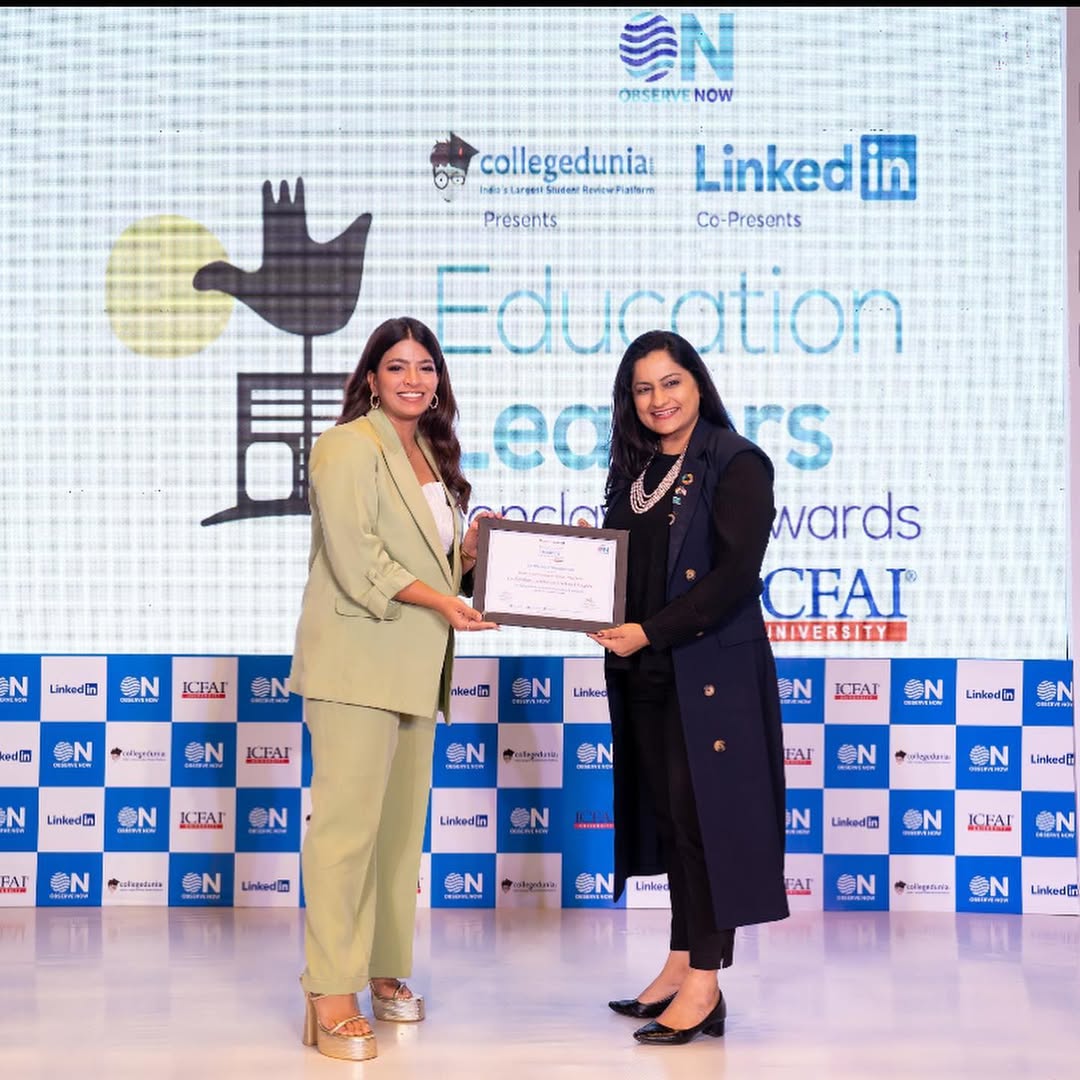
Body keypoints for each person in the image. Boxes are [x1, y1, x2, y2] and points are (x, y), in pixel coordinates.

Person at [287, 315, 498, 1061]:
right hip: (355, 664)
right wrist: (443, 597)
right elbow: (360, 561)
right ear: (371, 378)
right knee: (345, 835)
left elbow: (433, 566)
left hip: (415, 665)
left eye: (426, 367)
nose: (415, 379)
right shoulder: (347, 446)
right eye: (398, 366)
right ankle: (328, 991)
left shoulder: (432, 454)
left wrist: (471, 557)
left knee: (399, 835)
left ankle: (380, 968)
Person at [586, 329, 789, 1046]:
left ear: (697, 383)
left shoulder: (736, 462)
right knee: (671, 821)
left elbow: (734, 579)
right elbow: (614, 570)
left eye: (670, 382)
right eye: (643, 388)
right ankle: (679, 964)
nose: (658, 399)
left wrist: (650, 630)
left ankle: (706, 983)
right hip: (645, 670)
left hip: (709, 674)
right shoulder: (634, 473)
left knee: (704, 825)